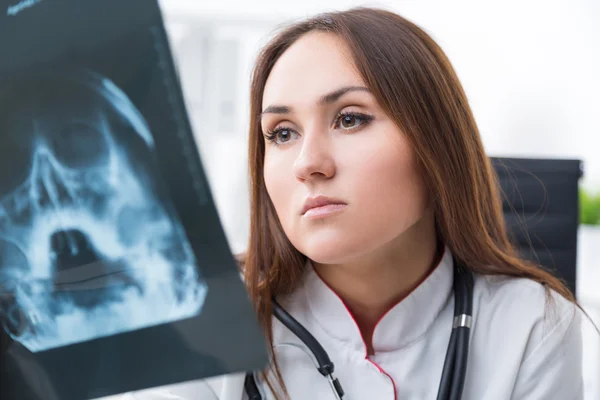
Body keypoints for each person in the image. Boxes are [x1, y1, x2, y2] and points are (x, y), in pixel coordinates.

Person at [125, 6, 585, 400]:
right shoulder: (195, 320)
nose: (308, 164)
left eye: (349, 119)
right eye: (282, 133)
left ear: (436, 145)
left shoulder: (533, 324)